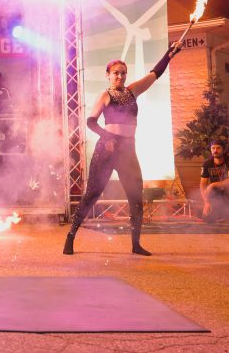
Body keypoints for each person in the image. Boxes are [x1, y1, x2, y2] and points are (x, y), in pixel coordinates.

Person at [63, 40, 182, 257]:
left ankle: (136, 244)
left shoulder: (132, 91)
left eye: (123, 73)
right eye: (116, 73)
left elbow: (155, 74)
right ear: (108, 75)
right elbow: (91, 122)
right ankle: (70, 236)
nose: (120, 77)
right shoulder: (105, 96)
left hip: (128, 150)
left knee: (136, 196)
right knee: (92, 195)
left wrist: (170, 53)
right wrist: (107, 137)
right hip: (107, 150)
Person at [200, 139, 229, 223]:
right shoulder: (207, 164)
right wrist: (206, 202)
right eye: (213, 148)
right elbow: (202, 185)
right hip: (216, 195)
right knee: (207, 220)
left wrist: (212, 185)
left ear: (223, 149)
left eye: (218, 148)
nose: (215, 150)